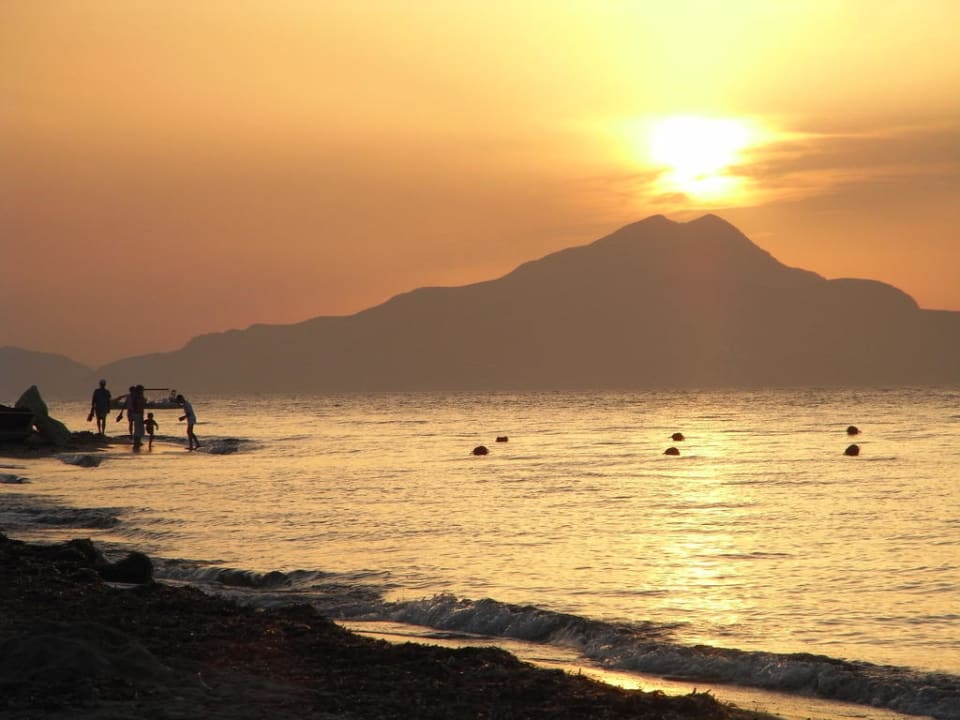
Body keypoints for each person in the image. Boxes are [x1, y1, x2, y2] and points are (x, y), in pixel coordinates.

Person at [130, 385, 146, 449]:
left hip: (137, 414)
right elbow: (139, 406)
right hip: (138, 414)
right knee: (138, 429)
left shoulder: (136, 397)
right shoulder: (138, 397)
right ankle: (137, 442)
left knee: (138, 429)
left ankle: (137, 441)